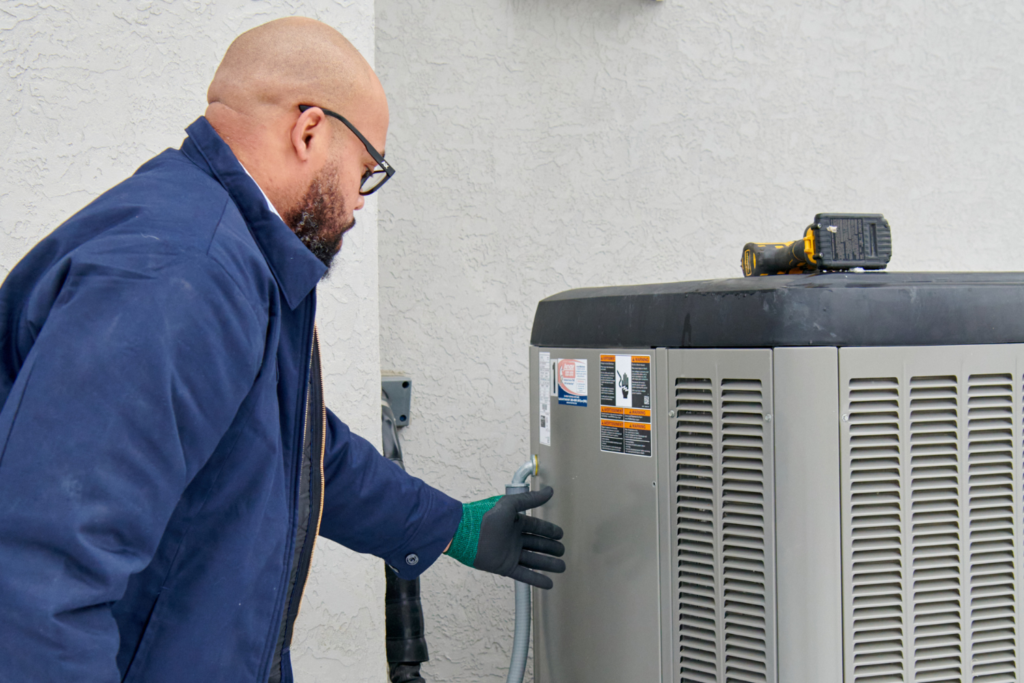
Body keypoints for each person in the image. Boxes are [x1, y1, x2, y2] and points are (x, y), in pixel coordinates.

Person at [0, 17, 564, 683]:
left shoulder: (236, 259)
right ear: (308, 130)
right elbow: (42, 581)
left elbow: (299, 447)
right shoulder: (183, 274)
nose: (358, 202)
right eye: (366, 169)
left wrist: (450, 528)